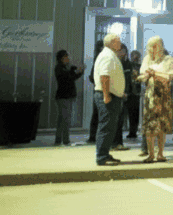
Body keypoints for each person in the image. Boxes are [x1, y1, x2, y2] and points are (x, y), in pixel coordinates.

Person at [138, 36, 173, 163]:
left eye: (154, 47)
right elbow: (141, 77)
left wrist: (166, 76)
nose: (151, 50)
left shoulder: (168, 60)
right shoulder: (147, 59)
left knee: (161, 125)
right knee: (149, 126)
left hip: (164, 97)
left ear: (160, 47)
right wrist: (146, 75)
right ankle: (150, 154)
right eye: (150, 47)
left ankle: (160, 154)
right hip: (150, 97)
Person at [92, 33, 125, 166]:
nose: (120, 44)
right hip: (107, 96)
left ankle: (104, 153)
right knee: (106, 126)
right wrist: (106, 95)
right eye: (118, 41)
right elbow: (104, 76)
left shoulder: (109, 54)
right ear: (111, 43)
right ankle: (101, 156)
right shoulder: (108, 56)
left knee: (109, 127)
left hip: (111, 95)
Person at [53, 50, 84, 146]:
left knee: (63, 119)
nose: (68, 58)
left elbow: (73, 77)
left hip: (68, 96)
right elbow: (67, 78)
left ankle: (59, 140)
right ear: (61, 59)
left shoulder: (67, 67)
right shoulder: (59, 68)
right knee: (65, 119)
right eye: (66, 57)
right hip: (63, 97)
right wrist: (75, 71)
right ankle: (65, 140)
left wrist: (80, 72)